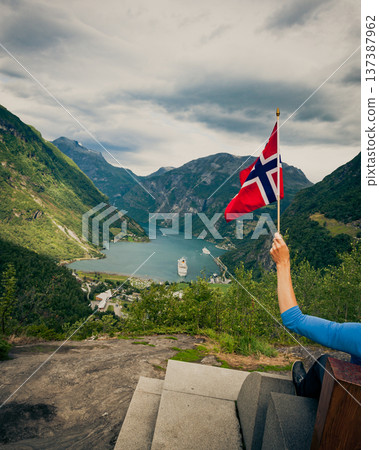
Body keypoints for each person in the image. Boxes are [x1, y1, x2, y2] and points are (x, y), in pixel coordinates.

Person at [270, 232, 361, 399]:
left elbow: (294, 319)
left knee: (325, 361)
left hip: (346, 409)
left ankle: (303, 387)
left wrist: (282, 263)